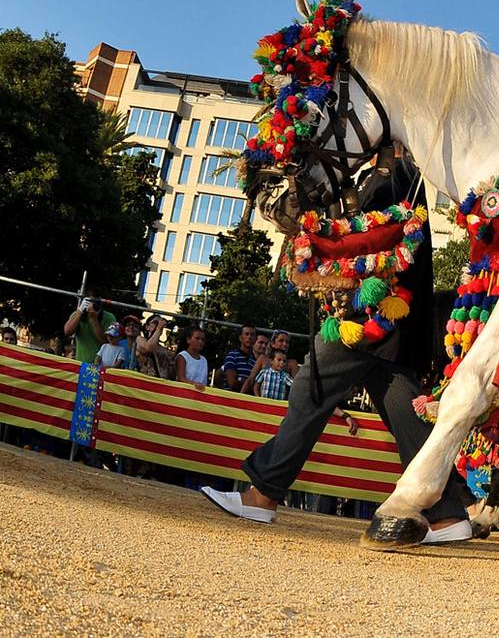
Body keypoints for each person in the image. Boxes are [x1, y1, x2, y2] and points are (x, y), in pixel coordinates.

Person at [201, 157, 470, 543]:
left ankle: (262, 494)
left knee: (308, 391)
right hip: (394, 325)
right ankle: (448, 514)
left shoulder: (391, 176)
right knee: (407, 417)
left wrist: (315, 243)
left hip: (368, 319)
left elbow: (372, 243)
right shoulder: (390, 176)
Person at [63, 296, 116, 365]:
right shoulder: (78, 315)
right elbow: (67, 331)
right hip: (81, 363)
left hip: (101, 365)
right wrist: (80, 311)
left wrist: (94, 318)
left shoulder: (109, 317)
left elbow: (105, 341)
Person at [134, 314, 176, 379]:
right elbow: (147, 349)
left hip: (161, 383)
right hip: (146, 381)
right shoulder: (140, 339)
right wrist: (158, 329)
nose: (159, 325)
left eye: (160, 323)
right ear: (147, 327)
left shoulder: (164, 350)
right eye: (155, 323)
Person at [221, 325, 259, 391]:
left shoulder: (255, 361)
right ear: (240, 338)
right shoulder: (232, 356)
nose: (249, 337)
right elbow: (232, 383)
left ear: (255, 339)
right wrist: (248, 383)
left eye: (252, 335)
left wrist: (240, 379)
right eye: (246, 334)